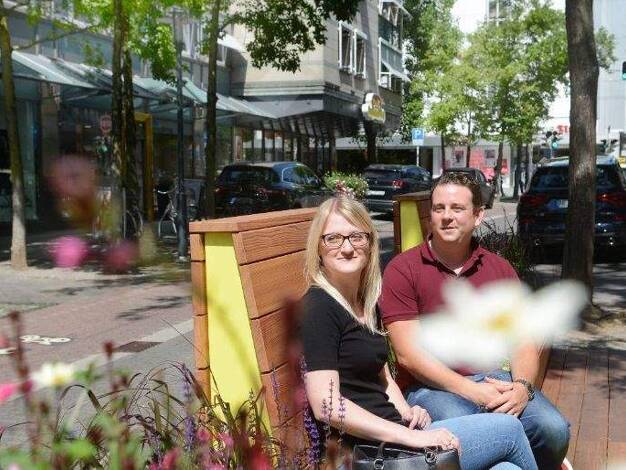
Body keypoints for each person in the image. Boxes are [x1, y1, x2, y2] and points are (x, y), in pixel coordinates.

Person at [299, 196, 538, 470]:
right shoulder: (319, 308)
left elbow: (382, 377)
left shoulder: (365, 303)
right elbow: (326, 405)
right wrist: (412, 437)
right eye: (333, 238)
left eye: (356, 237)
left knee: (507, 469)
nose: (347, 247)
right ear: (318, 247)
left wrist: (406, 410)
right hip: (368, 455)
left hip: (394, 438)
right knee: (509, 430)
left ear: (370, 243)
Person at [379, 172, 570, 470]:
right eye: (439, 208)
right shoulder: (403, 269)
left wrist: (522, 387)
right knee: (480, 431)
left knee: (554, 430)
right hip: (430, 388)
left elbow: (523, 341)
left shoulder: (500, 269)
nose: (446, 216)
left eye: (457, 208)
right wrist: (472, 391)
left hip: (494, 379)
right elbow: (408, 354)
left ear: (478, 215)